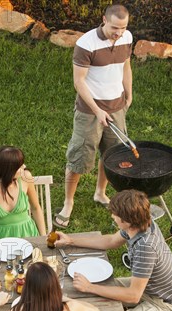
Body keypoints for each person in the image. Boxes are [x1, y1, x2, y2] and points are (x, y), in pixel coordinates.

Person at [54, 4, 133, 229]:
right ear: (104, 20)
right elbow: (79, 81)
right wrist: (98, 111)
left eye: (123, 27)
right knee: (79, 157)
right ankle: (68, 203)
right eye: (115, 28)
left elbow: (126, 66)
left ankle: (100, 192)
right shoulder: (86, 44)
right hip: (90, 111)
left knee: (112, 155)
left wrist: (129, 92)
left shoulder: (127, 37)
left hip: (116, 107)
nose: (118, 33)